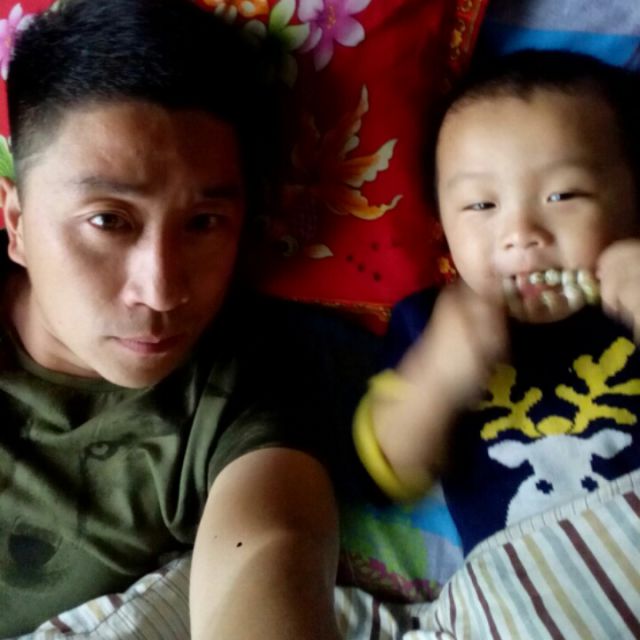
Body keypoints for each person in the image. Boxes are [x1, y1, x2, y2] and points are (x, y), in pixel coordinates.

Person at [0, 0, 376, 636]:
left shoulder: (241, 400)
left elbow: (270, 545)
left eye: (204, 223)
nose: (161, 289)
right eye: (108, 220)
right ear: (15, 223)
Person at [353, 49, 640, 556]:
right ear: (442, 226)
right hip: (523, 585)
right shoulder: (433, 326)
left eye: (563, 196)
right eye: (481, 205)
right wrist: (436, 380)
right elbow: (389, 474)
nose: (520, 233)